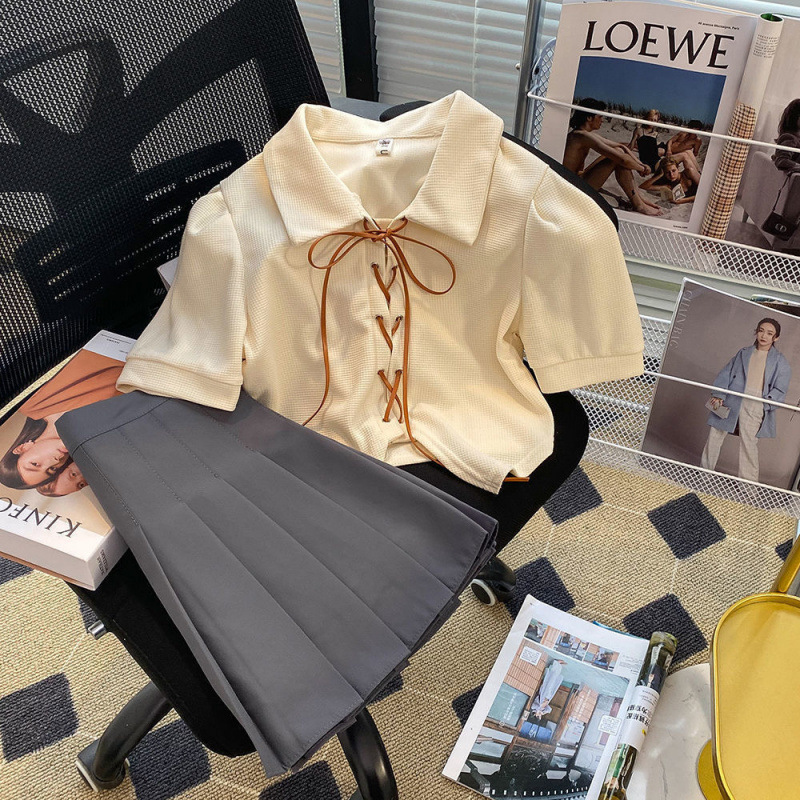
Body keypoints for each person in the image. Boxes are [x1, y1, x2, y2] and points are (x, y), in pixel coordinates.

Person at [0, 349, 122, 490]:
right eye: (52, 470)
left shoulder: (32, 402)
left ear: (23, 448)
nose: (55, 461)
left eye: (35, 464)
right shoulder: (100, 435)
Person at [701, 318, 792, 482]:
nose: (764, 336)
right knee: (715, 435)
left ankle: (748, 488)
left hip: (756, 403)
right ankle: (703, 475)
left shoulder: (780, 361)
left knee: (749, 444)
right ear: (756, 331)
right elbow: (726, 373)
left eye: (769, 333)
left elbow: (780, 389)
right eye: (761, 330)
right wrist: (719, 395)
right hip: (732, 398)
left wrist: (765, 404)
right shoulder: (743, 353)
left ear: (776, 337)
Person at [562, 98, 662, 217]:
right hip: (572, 188)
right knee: (617, 159)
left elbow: (621, 146)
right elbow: (622, 159)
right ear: (589, 117)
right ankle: (638, 204)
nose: (602, 120)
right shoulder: (582, 136)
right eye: (600, 116)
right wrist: (642, 169)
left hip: (578, 178)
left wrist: (641, 164)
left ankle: (639, 198)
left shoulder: (583, 133)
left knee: (618, 151)